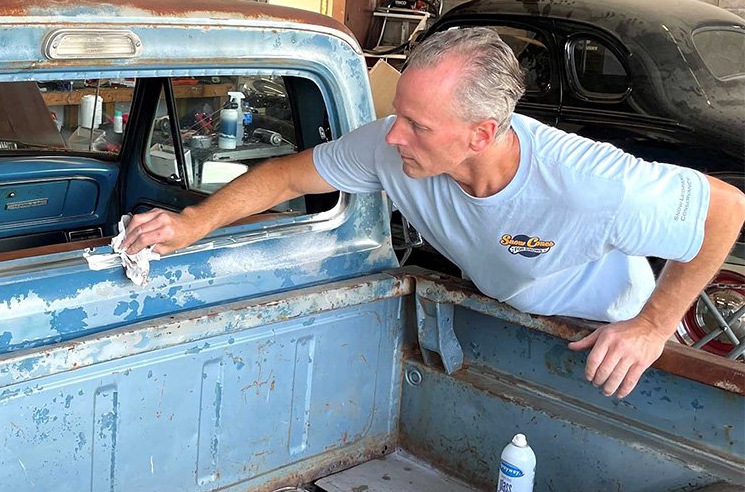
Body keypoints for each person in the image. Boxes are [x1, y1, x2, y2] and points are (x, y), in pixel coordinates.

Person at [122, 27, 745, 399]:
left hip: (603, 339)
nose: (393, 138)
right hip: (507, 309)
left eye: (417, 126)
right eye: (399, 116)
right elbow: (287, 174)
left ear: (481, 134)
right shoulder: (393, 146)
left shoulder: (590, 183)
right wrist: (193, 223)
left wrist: (653, 327)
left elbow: (725, 210)